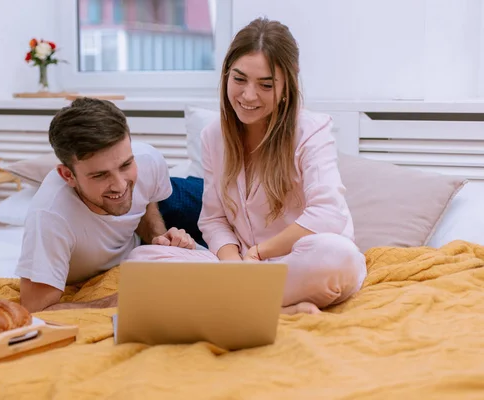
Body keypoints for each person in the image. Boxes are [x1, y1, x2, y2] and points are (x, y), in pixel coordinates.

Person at [126, 17, 367, 315]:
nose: (248, 95)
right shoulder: (214, 136)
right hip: (239, 267)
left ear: (287, 85)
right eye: (239, 80)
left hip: (297, 263)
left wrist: (258, 254)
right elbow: (213, 220)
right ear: (227, 73)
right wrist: (235, 267)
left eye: (265, 85)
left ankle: (237, 301)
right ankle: (274, 308)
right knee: (142, 259)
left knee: (338, 256)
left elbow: (327, 214)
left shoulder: (312, 131)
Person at [16, 97, 196, 312]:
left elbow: (146, 204)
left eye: (126, 164)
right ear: (68, 175)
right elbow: (35, 308)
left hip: (143, 247)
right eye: (100, 175)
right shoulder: (49, 216)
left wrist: (160, 239)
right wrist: (118, 301)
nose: (119, 185)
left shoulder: (148, 159)